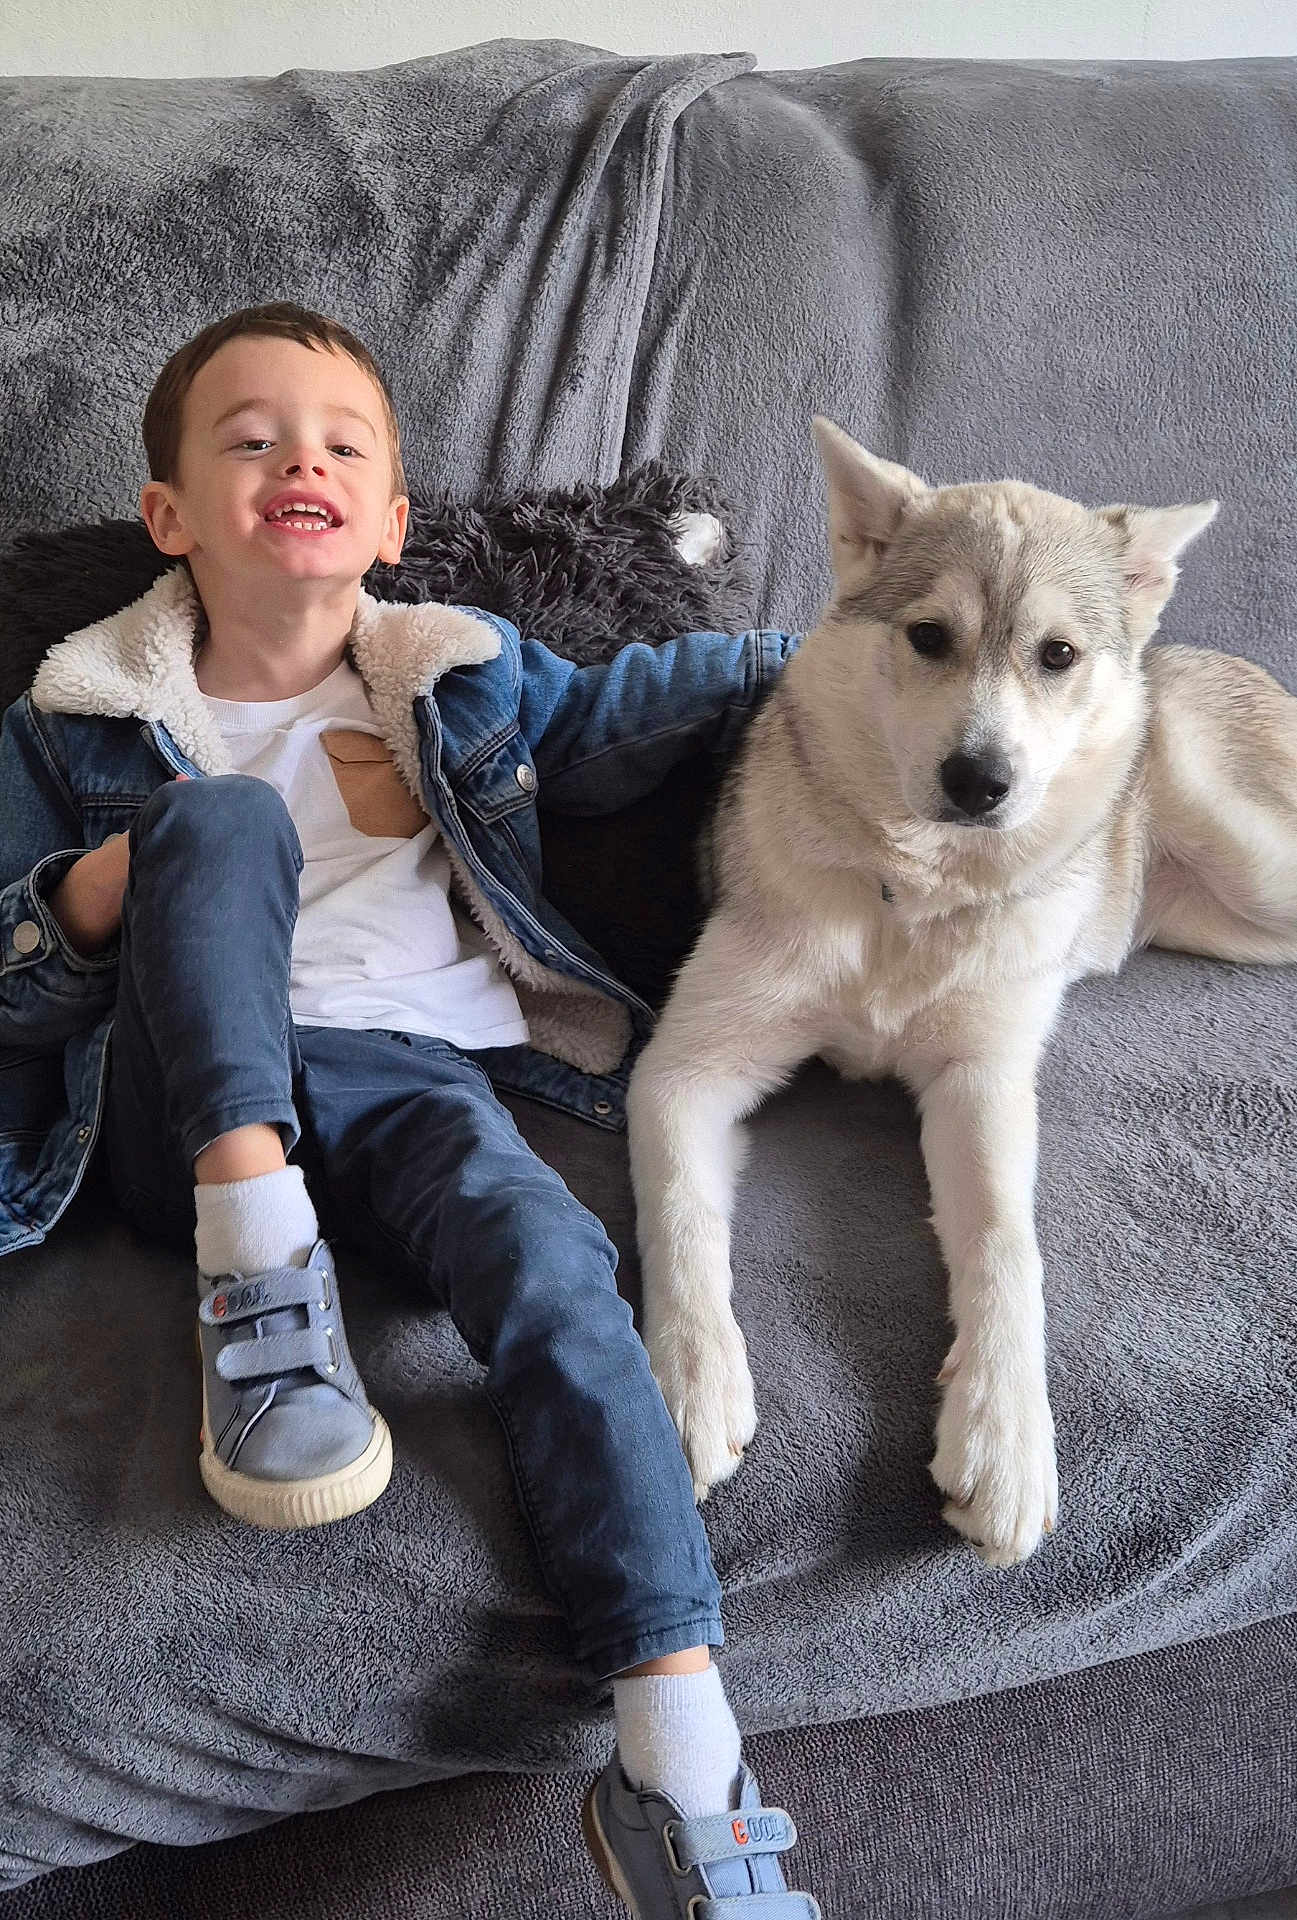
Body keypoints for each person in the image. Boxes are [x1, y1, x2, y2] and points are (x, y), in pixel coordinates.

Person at [0, 303, 819, 1917]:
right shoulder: (67, 721)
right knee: (220, 819)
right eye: (247, 438)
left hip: (421, 1084)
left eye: (339, 443)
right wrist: (102, 886)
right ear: (168, 519)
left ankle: (679, 1762)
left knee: (560, 1266)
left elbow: (659, 694)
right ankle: (259, 1283)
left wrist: (861, 656)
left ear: (387, 524)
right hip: (186, 1098)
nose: (296, 456)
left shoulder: (457, 679)